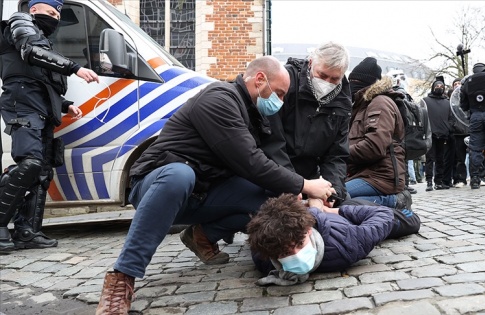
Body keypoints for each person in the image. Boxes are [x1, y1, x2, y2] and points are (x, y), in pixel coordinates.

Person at [94, 56, 336, 314]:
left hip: (202, 194)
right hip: (156, 186)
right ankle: (122, 277)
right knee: (179, 175)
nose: (280, 101)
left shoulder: (254, 115)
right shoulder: (219, 98)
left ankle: (203, 235)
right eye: (278, 93)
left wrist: (305, 198)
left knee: (269, 202)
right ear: (260, 79)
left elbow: (271, 164)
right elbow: (250, 162)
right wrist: (306, 184)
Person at [0, 0, 99, 253]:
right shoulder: (21, 22)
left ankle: (27, 231)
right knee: (29, 164)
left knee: (42, 171)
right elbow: (30, 53)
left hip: (41, 109)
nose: (54, 18)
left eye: (57, 14)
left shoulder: (42, 37)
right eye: (50, 12)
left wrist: (65, 105)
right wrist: (74, 68)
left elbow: (40, 81)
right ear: (34, 10)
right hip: (22, 104)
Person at [261, 42, 352, 205]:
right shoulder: (287, 82)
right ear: (311, 64)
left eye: (334, 79)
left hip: (310, 174)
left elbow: (336, 154)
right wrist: (295, 186)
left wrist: (333, 192)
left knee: (344, 207)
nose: (327, 83)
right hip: (274, 172)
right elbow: (272, 141)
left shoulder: (342, 101)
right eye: (322, 76)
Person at [247, 193, 395, 285]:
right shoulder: (264, 260)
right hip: (304, 210)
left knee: (409, 222)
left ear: (309, 231)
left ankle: (394, 198)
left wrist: (331, 210)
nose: (297, 255)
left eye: (300, 244)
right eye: (285, 253)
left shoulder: (347, 244)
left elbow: (384, 213)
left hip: (340, 211)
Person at [344, 57, 412, 211]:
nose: (351, 85)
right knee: (334, 196)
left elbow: (374, 147)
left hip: (380, 178)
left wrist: (340, 152)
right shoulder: (362, 106)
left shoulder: (379, 103)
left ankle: (395, 201)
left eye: (355, 80)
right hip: (364, 175)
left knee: (336, 196)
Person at [423, 79, 453, 191]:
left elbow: (451, 118)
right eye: (437, 85)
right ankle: (429, 181)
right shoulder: (425, 101)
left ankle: (438, 181)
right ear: (433, 87)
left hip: (443, 134)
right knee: (430, 158)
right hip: (430, 134)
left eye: (441, 86)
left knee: (441, 159)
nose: (439, 87)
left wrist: (448, 128)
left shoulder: (447, 102)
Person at [449, 78, 469, 188]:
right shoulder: (451, 102)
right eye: (455, 84)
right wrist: (454, 127)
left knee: (476, 155)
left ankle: (478, 176)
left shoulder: (467, 97)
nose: (457, 85)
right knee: (459, 159)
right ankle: (460, 179)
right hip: (458, 133)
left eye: (459, 83)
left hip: (469, 131)